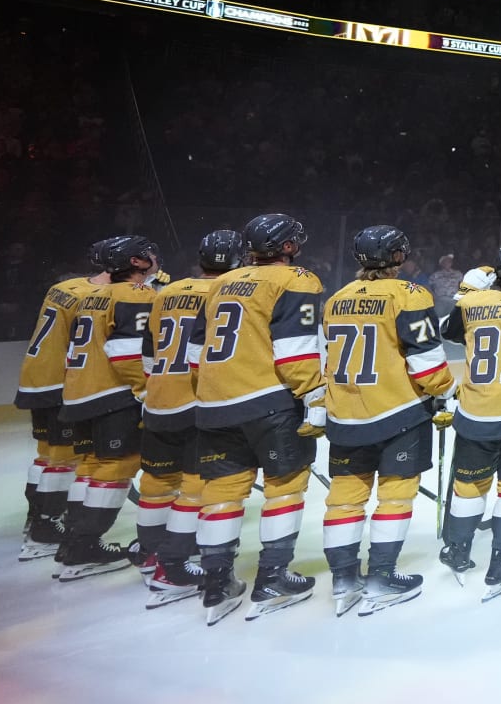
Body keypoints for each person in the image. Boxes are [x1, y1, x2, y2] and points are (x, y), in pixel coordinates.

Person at [193, 212, 325, 625]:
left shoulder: (220, 283)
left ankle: (216, 586)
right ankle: (271, 579)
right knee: (284, 489)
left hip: (215, 404)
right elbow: (296, 350)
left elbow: (196, 353)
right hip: (269, 402)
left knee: (222, 493)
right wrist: (315, 395)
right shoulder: (297, 279)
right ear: (287, 247)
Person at [318, 225, 457, 616]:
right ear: (399, 257)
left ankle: (344, 580)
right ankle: (381, 576)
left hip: (346, 414)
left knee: (344, 499)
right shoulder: (409, 293)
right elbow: (427, 362)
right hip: (398, 414)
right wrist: (444, 388)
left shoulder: (338, 298)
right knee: (394, 497)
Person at [138, 230, 245, 607]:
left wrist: (151, 388)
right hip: (198, 402)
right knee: (195, 489)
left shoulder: (167, 291)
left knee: (156, 482)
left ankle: (151, 556)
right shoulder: (231, 291)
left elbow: (148, 350)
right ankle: (173, 568)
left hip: (159, 397)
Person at [438, 244, 501, 601]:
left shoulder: (470, 304)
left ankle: (457, 550)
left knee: (468, 487)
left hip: (473, 412)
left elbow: (448, 331)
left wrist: (466, 292)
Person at [56, 236, 160, 580]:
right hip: (112, 394)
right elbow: (127, 353)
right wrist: (146, 391)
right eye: (146, 254)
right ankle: (83, 546)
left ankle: (72, 541)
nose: (152, 257)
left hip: (79, 391)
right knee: (117, 468)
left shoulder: (93, 294)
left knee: (90, 467)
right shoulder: (134, 294)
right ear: (135, 262)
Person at [14, 237, 118, 563]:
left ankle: (38, 521)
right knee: (63, 459)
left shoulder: (69, 286)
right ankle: (45, 529)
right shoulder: (96, 296)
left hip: (37, 377)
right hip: (61, 381)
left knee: (46, 456)